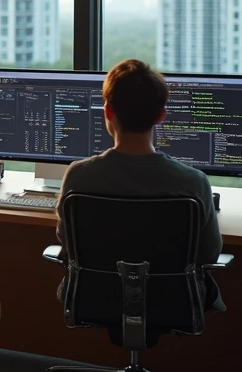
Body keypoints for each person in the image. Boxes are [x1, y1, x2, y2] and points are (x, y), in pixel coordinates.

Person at [56, 58, 224, 310]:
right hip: (173, 302)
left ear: (107, 111)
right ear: (161, 115)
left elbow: (67, 243)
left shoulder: (78, 175)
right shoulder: (194, 182)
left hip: (96, 297)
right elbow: (209, 254)